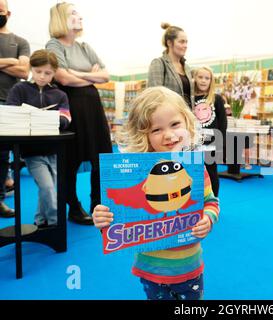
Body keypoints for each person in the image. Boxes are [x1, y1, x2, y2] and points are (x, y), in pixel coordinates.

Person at [93, 86, 219, 300]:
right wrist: (103, 217)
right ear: (144, 134)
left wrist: (208, 218)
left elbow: (211, 201)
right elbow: (119, 214)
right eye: (156, 129)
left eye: (175, 124)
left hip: (189, 266)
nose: (169, 135)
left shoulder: (195, 169)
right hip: (151, 269)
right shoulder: (136, 173)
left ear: (187, 123)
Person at [46, 2, 112, 225]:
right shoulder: (53, 45)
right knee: (71, 160)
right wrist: (87, 75)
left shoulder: (85, 47)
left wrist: (74, 72)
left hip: (93, 108)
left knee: (101, 158)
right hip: (71, 106)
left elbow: (105, 76)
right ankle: (73, 206)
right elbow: (62, 78)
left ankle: (97, 204)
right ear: (61, 18)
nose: (79, 17)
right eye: (73, 13)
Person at [6, 49, 71, 228]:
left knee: (48, 188)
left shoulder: (60, 95)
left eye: (48, 73)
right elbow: (11, 114)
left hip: (54, 150)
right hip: (32, 152)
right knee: (48, 187)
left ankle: (39, 219)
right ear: (31, 69)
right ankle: (54, 223)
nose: (42, 76)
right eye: (38, 71)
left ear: (54, 73)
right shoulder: (19, 89)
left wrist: (50, 119)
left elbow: (66, 118)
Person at [0, 0, 30, 218]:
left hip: (7, 104)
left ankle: (0, 199)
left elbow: (23, 71)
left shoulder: (20, 41)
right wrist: (12, 61)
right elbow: (17, 66)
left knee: (2, 155)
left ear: (8, 13)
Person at [192, 66, 227, 196]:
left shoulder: (216, 99)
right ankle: (197, 201)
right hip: (195, 142)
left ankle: (214, 200)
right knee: (195, 172)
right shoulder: (190, 99)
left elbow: (223, 121)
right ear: (195, 79)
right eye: (200, 77)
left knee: (212, 172)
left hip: (212, 143)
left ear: (211, 81)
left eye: (207, 78)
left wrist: (221, 143)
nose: (203, 80)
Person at [147, 23, 194, 108]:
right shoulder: (159, 63)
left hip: (186, 118)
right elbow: (154, 98)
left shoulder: (187, 68)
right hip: (168, 118)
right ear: (169, 43)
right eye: (181, 42)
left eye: (186, 42)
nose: (185, 46)